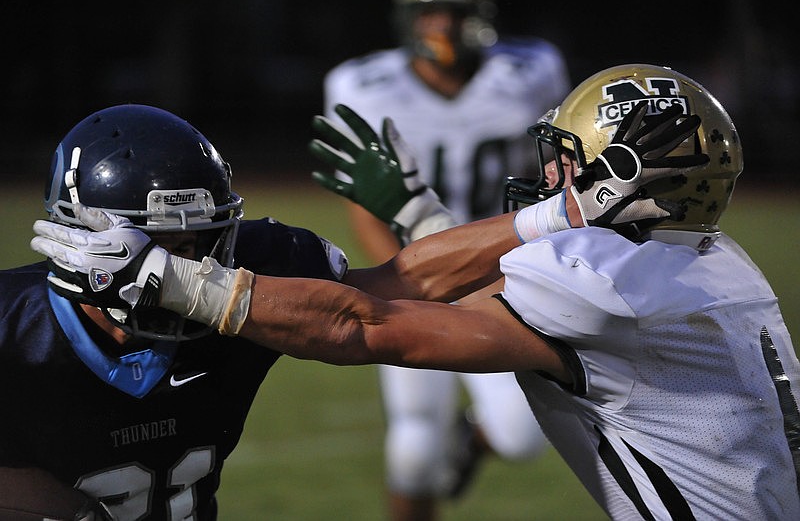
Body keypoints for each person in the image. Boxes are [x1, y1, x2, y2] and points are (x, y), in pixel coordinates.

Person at [34, 63, 797, 519]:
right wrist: (420, 214)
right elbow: (483, 302)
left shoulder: (608, 276)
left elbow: (366, 326)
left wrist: (174, 280)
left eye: (569, 160)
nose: (553, 172)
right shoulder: (709, 261)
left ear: (622, 176)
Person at [0, 103, 358, 519]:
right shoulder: (14, 327)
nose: (177, 271)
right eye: (156, 249)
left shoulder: (238, 287)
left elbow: (379, 310)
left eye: (190, 247)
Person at [322, 0, 570, 515]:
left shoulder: (532, 70)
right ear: (407, 18)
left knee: (522, 436)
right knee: (414, 447)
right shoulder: (360, 84)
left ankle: (471, 439)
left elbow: (558, 168)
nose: (442, 25)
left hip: (509, 272)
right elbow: (366, 202)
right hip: (421, 271)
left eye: (455, 12)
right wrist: (405, 280)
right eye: (428, 12)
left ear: (478, 15)